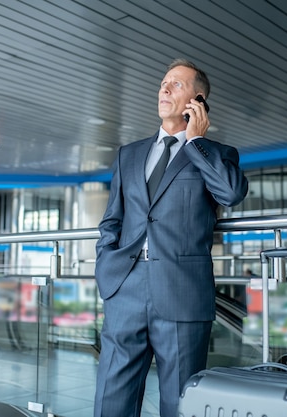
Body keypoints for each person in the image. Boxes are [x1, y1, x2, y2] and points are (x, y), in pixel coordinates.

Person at [93, 58, 248, 417]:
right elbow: (112, 220)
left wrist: (196, 142)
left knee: (179, 402)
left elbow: (230, 193)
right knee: (110, 400)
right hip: (124, 288)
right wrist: (107, 267)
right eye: (164, 82)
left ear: (198, 101)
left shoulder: (217, 155)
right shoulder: (128, 154)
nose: (164, 88)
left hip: (182, 292)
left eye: (176, 85)